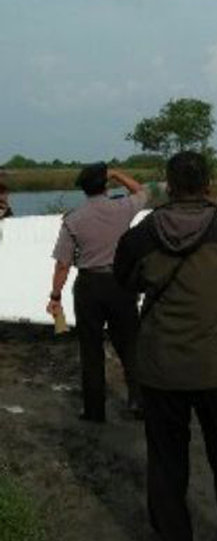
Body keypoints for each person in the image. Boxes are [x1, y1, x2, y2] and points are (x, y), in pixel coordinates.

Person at [114, 151, 217, 541]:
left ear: (169, 185)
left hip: (161, 371)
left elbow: (126, 282)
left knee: (166, 464)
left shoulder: (141, 236)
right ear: (209, 184)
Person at [47, 163, 148, 422]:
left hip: (89, 286)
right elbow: (142, 191)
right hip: (120, 284)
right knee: (130, 345)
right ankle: (138, 401)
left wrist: (55, 296)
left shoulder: (73, 219)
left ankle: (94, 410)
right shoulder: (122, 208)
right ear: (105, 185)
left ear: (83, 190)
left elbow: (63, 264)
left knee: (91, 350)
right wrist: (116, 174)